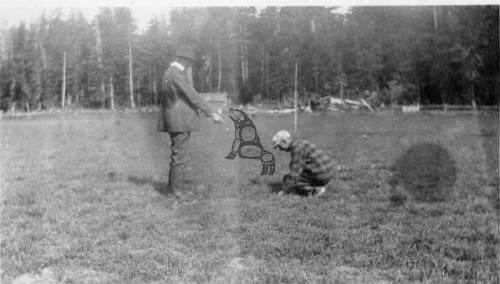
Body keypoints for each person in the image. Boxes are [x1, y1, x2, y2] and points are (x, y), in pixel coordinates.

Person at [158, 46, 224, 200]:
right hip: (179, 121)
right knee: (179, 156)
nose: (189, 65)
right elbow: (193, 96)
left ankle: (174, 188)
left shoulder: (170, 72)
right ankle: (177, 192)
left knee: (177, 155)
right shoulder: (176, 74)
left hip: (174, 120)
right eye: (188, 62)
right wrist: (212, 113)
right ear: (181, 59)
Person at [272, 130, 335, 197]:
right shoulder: (301, 142)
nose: (280, 149)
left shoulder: (297, 148)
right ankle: (315, 186)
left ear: (284, 141)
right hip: (328, 173)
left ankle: (314, 191)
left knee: (289, 179)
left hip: (321, 175)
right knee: (290, 179)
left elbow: (295, 174)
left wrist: (283, 191)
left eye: (279, 146)